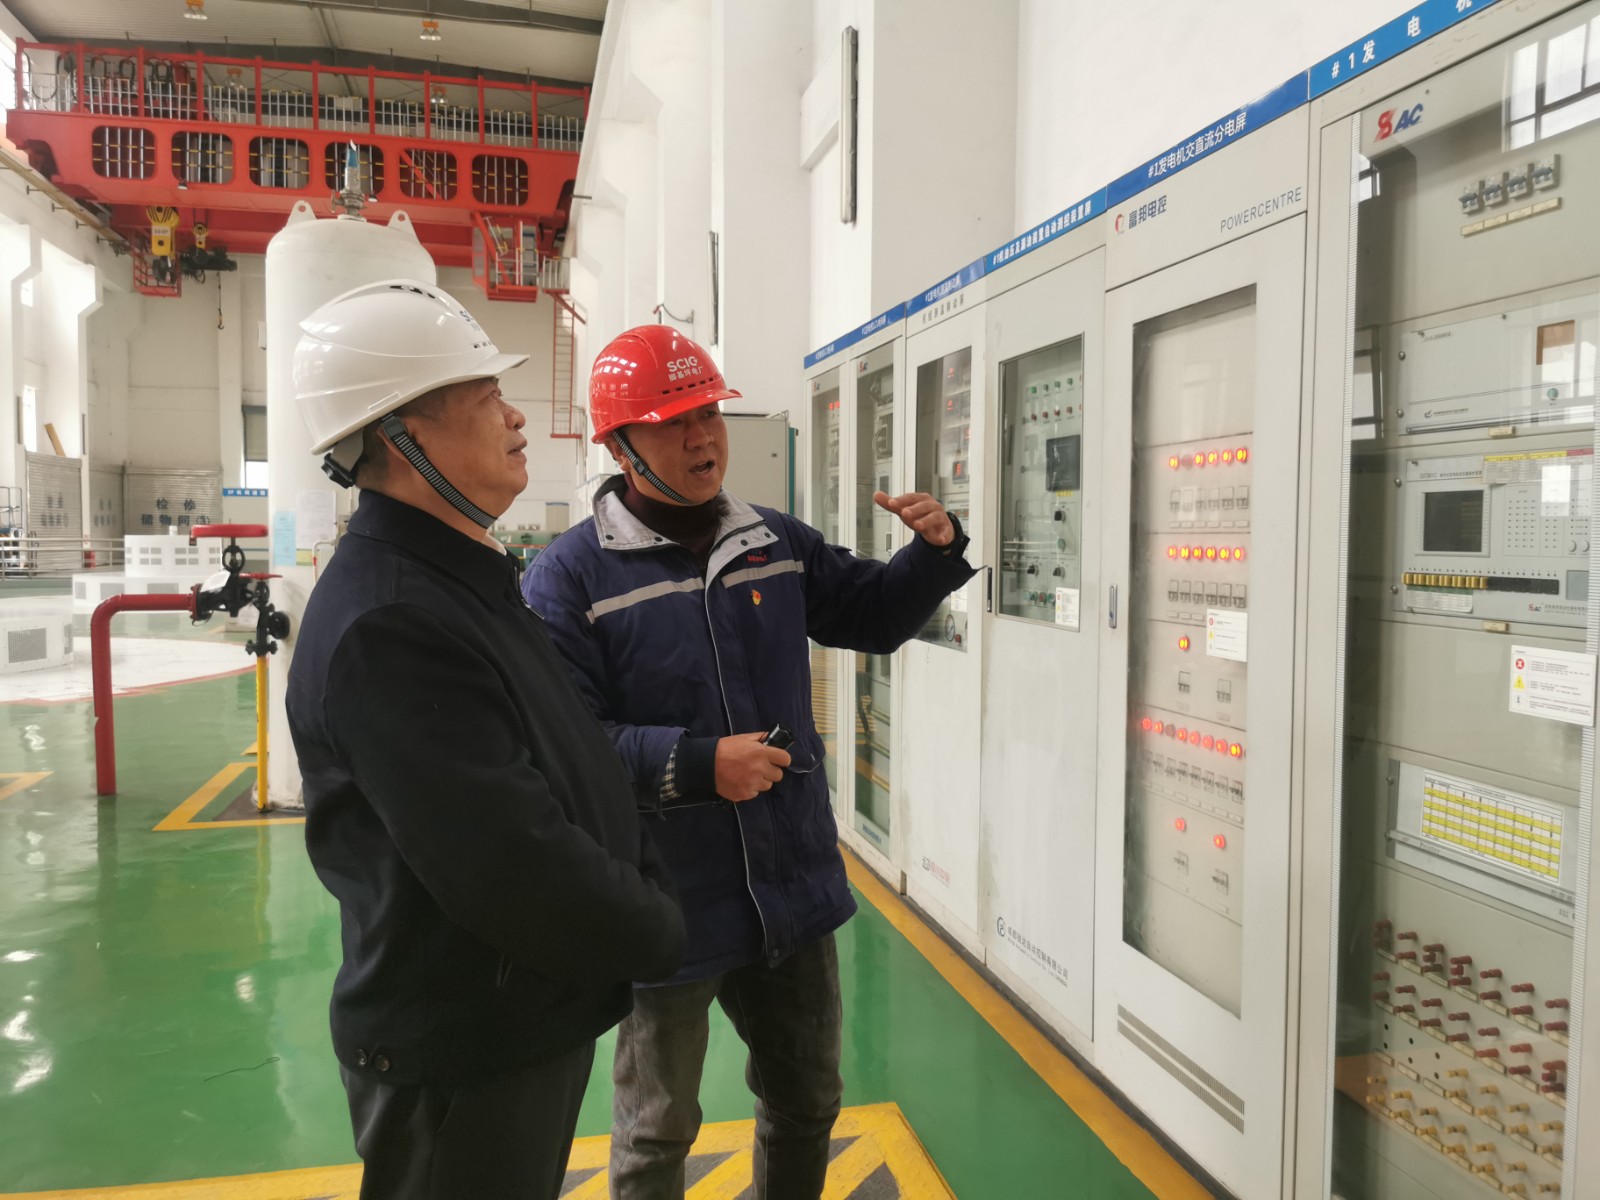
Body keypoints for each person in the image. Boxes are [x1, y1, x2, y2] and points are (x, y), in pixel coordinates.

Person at [522, 325, 975, 1199]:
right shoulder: (571, 578)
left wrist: (933, 554)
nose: (703, 438)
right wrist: (695, 765)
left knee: (806, 1101)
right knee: (657, 1129)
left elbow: (872, 617)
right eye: (673, 423)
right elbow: (564, 746)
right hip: (669, 901)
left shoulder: (772, 541)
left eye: (708, 415)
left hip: (791, 885)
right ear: (619, 446)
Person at [285, 281, 686, 1200]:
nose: (517, 417)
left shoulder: (460, 581)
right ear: (404, 438)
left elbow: (563, 757)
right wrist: (655, 925)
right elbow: (507, 859)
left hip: (516, 1015)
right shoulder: (392, 622)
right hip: (461, 1048)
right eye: (486, 397)